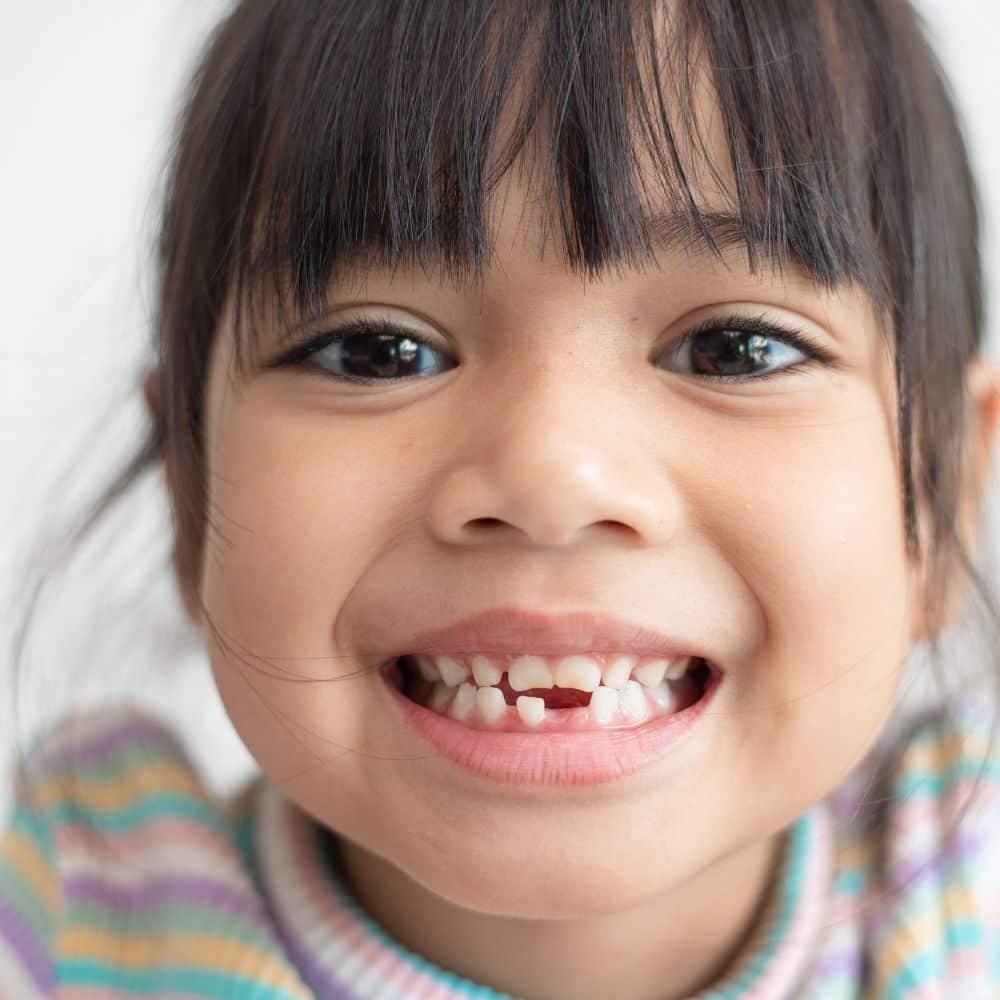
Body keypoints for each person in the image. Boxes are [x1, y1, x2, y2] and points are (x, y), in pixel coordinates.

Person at [3, 1, 1000, 997]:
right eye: (376, 351)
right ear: (192, 487)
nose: (548, 477)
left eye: (732, 348)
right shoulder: (58, 932)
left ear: (941, 490)